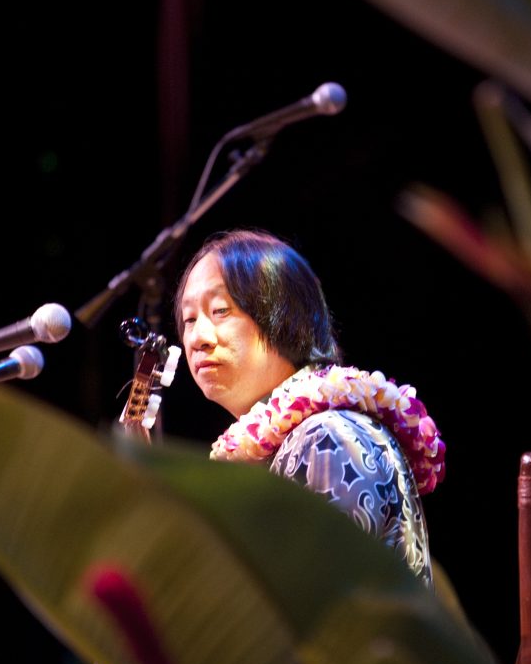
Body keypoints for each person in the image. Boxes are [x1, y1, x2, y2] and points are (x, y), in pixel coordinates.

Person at [174, 229, 445, 585]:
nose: (197, 338)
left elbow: (325, 604)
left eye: (220, 310)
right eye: (189, 319)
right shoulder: (296, 439)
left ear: (282, 314)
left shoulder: (327, 437)